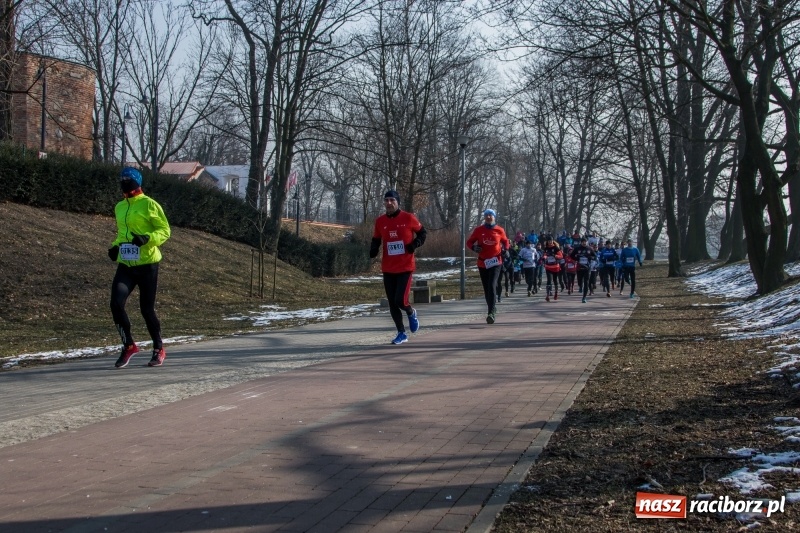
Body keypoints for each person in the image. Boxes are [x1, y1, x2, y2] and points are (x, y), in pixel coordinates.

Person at [109, 166, 171, 368]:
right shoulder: (120, 207)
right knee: (116, 304)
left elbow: (164, 231)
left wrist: (147, 238)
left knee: (146, 309)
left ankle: (158, 348)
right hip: (126, 264)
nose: (125, 182)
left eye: (129, 180)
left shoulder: (149, 204)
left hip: (148, 264)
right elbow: (122, 234)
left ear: (137, 182)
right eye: (122, 180)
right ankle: (128, 345)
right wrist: (115, 248)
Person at [369, 190, 427, 345]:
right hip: (388, 268)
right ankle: (401, 333)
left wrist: (414, 244)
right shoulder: (380, 221)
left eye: (392, 200)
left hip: (405, 267)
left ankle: (410, 311)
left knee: (400, 300)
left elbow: (422, 233)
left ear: (397, 202)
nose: (389, 203)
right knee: (392, 303)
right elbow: (376, 238)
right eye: (386, 200)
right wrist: (373, 249)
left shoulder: (408, 218)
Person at [467, 209, 510, 324]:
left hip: (496, 261)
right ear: (484, 217)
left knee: (492, 284)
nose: (488, 217)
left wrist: (506, 249)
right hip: (483, 263)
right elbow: (469, 242)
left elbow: (506, 241)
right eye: (486, 215)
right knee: (487, 288)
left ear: (494, 217)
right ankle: (492, 307)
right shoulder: (479, 230)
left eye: (490, 215)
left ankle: (491, 312)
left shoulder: (499, 230)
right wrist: (474, 248)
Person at [570, 237, 596, 303]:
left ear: (587, 242)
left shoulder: (590, 249)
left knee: (586, 282)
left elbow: (595, 256)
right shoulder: (577, 248)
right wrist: (576, 258)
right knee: (579, 281)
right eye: (583, 242)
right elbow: (571, 256)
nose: (584, 243)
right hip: (579, 268)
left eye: (585, 241)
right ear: (581, 242)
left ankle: (584, 297)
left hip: (587, 268)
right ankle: (580, 286)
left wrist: (590, 257)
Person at [541, 236, 563, 302]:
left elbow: (561, 256)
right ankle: (547, 295)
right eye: (549, 241)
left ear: (553, 241)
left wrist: (555, 255)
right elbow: (545, 255)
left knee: (555, 280)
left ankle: (556, 293)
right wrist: (544, 257)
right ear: (547, 241)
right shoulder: (546, 248)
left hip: (555, 267)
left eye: (551, 240)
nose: (550, 242)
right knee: (549, 281)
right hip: (548, 267)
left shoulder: (556, 248)